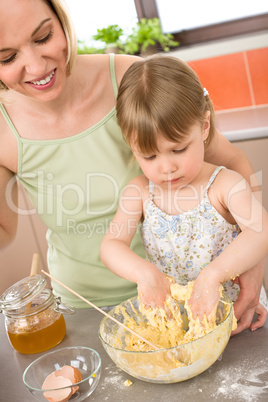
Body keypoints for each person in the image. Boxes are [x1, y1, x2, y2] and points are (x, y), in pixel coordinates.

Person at [0, 0, 265, 333]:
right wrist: (145, 273)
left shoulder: (134, 81)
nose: (36, 67)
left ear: (60, 18)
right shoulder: (138, 190)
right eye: (7, 57)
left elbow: (251, 207)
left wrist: (250, 269)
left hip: (197, 304)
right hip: (84, 309)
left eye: (43, 37)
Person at [100, 55, 268, 323]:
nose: (166, 167)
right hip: (179, 324)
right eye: (149, 156)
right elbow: (111, 245)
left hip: (236, 315)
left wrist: (214, 274)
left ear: (204, 127)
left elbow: (261, 231)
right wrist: (143, 273)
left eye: (178, 149)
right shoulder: (140, 192)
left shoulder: (225, 185)